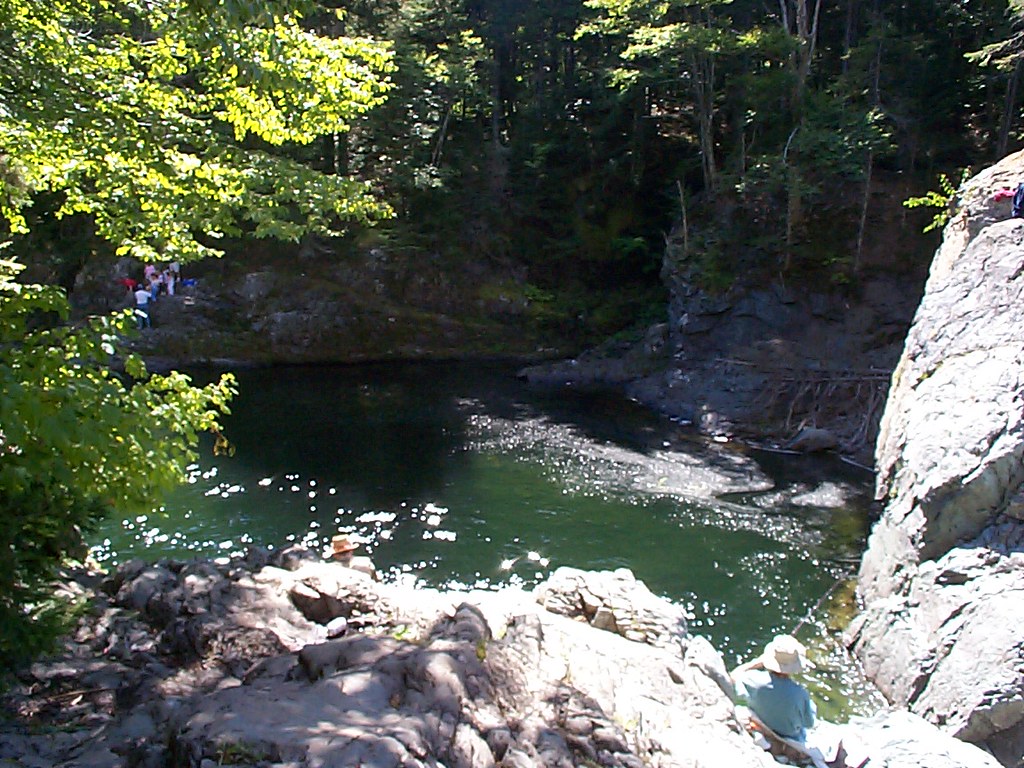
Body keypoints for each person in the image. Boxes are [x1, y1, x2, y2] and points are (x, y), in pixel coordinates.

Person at [731, 634, 816, 742]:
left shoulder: (754, 680)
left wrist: (757, 662)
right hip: (789, 735)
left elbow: (733, 675)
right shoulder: (800, 693)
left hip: (762, 724)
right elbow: (809, 723)